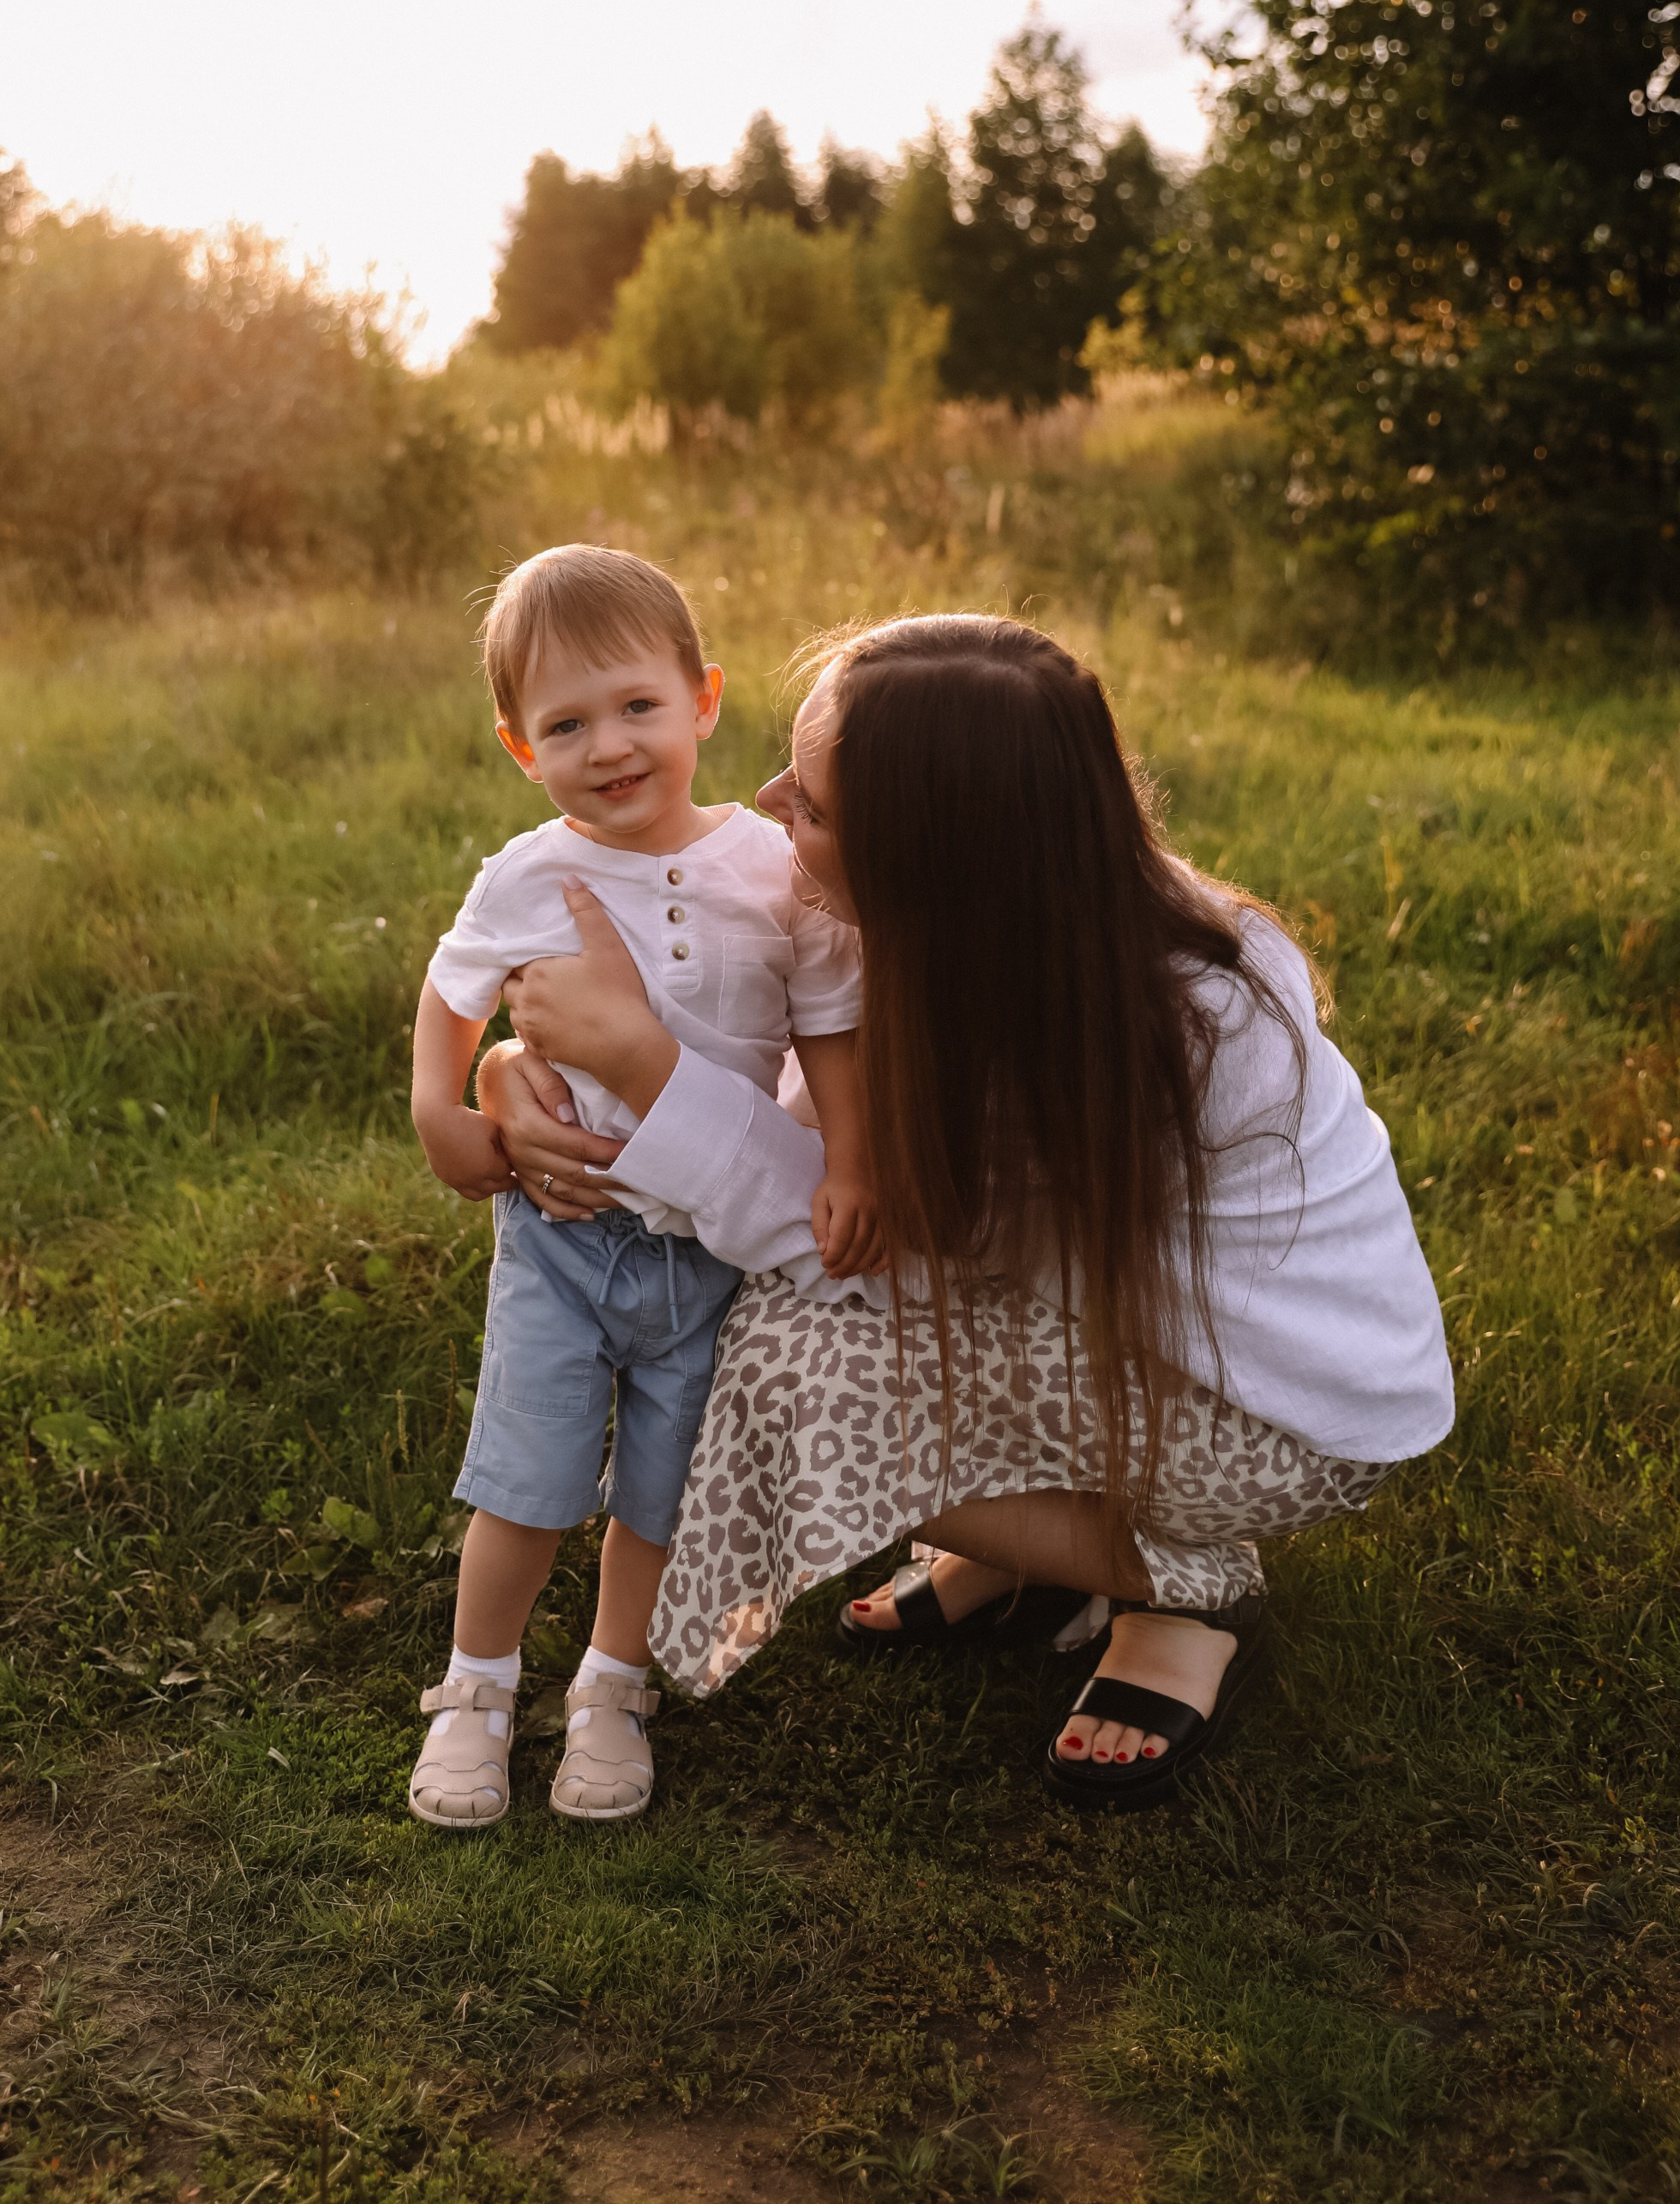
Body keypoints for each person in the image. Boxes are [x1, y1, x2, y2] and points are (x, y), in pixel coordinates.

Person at [477, 612, 1453, 1814]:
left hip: (1276, 1417)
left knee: (761, 1361)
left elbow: (834, 1238)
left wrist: (639, 1068)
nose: (770, 802)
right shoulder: (1022, 915)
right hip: (1136, 1330)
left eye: (814, 806)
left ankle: (1188, 1585)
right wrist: (527, 1070)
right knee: (756, 1305)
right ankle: (1030, 1552)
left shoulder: (1121, 1030)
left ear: (927, 855)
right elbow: (806, 1126)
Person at [407, 544, 866, 1829]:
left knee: (662, 1491)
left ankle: (613, 1684)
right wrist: (440, 1107)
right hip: (563, 1234)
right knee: (526, 1476)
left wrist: (853, 1160)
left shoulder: (772, 869)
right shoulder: (529, 873)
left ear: (703, 701)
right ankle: (477, 1688)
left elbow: (829, 1025)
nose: (609, 746)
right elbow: (451, 989)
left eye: (638, 707)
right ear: (520, 747)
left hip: (708, 1251)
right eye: (566, 725)